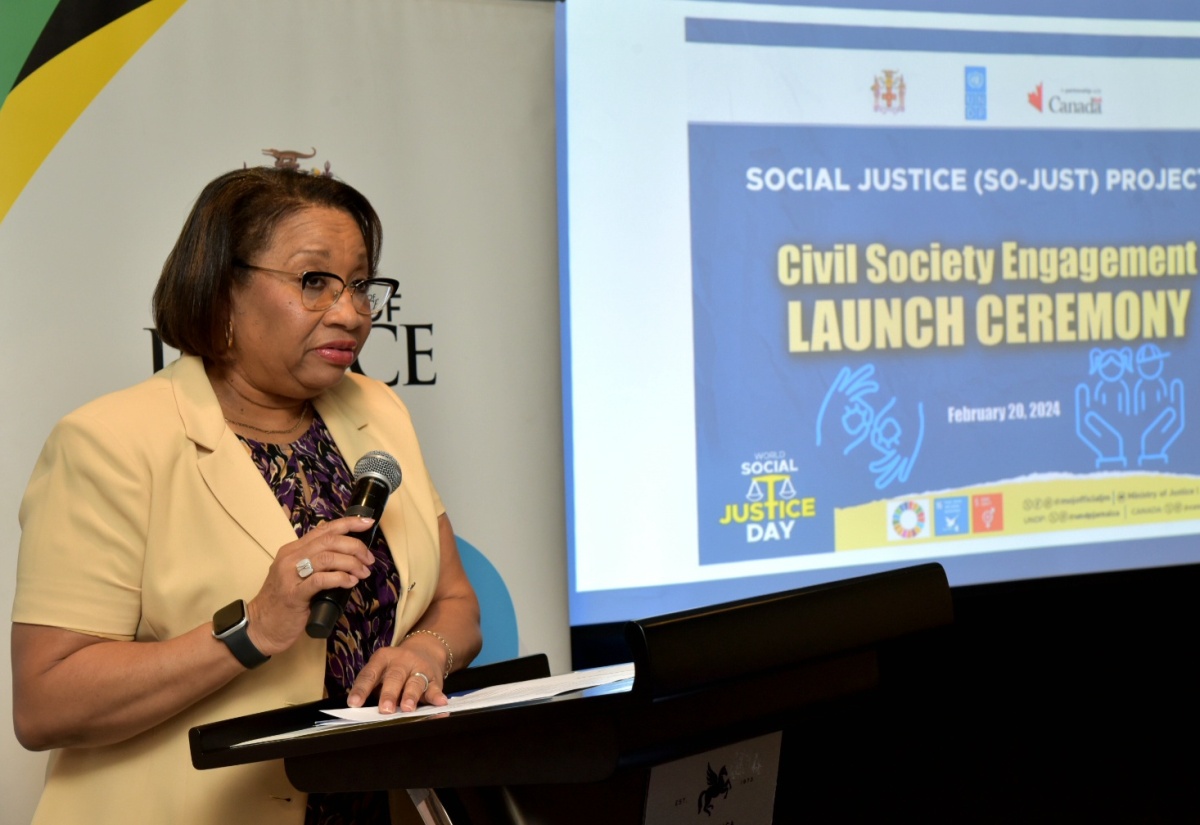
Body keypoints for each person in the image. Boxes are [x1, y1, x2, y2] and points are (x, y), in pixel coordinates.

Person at [11, 166, 481, 824]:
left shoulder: (378, 410)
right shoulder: (108, 442)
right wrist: (251, 628)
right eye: (313, 282)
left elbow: (455, 599)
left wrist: (427, 650)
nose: (350, 313)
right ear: (221, 289)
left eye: (358, 285)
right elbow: (45, 701)